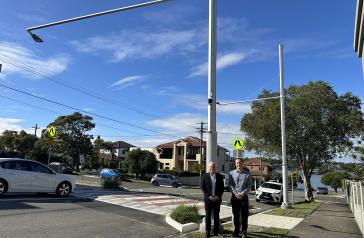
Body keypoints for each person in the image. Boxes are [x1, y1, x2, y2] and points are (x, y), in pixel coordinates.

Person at [228, 159, 252, 238]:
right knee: (236, 215)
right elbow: (230, 185)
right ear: (235, 164)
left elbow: (249, 186)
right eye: (237, 163)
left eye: (240, 163)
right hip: (234, 198)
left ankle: (244, 231)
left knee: (245, 215)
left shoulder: (247, 174)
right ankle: (236, 231)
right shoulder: (231, 173)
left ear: (242, 163)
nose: (238, 164)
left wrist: (242, 193)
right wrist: (236, 193)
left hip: (244, 197)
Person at [201, 162, 224, 238]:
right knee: (208, 216)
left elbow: (222, 188)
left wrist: (218, 196)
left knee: (216, 215)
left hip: (217, 199)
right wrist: (209, 196)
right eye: (211, 166)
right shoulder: (204, 176)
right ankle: (208, 231)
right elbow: (203, 187)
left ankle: (216, 231)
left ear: (215, 168)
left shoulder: (219, 176)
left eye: (213, 166)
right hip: (208, 200)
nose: (212, 168)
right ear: (208, 167)